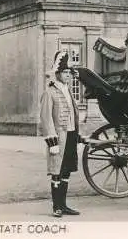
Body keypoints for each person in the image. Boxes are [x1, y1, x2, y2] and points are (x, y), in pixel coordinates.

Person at [39, 51, 87, 217]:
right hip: (59, 138)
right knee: (56, 172)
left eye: (69, 73)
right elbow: (46, 119)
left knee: (66, 171)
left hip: (71, 136)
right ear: (57, 74)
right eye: (65, 72)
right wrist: (52, 142)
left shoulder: (68, 92)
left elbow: (73, 115)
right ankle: (56, 207)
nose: (68, 75)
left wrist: (79, 137)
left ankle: (64, 205)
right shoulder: (49, 92)